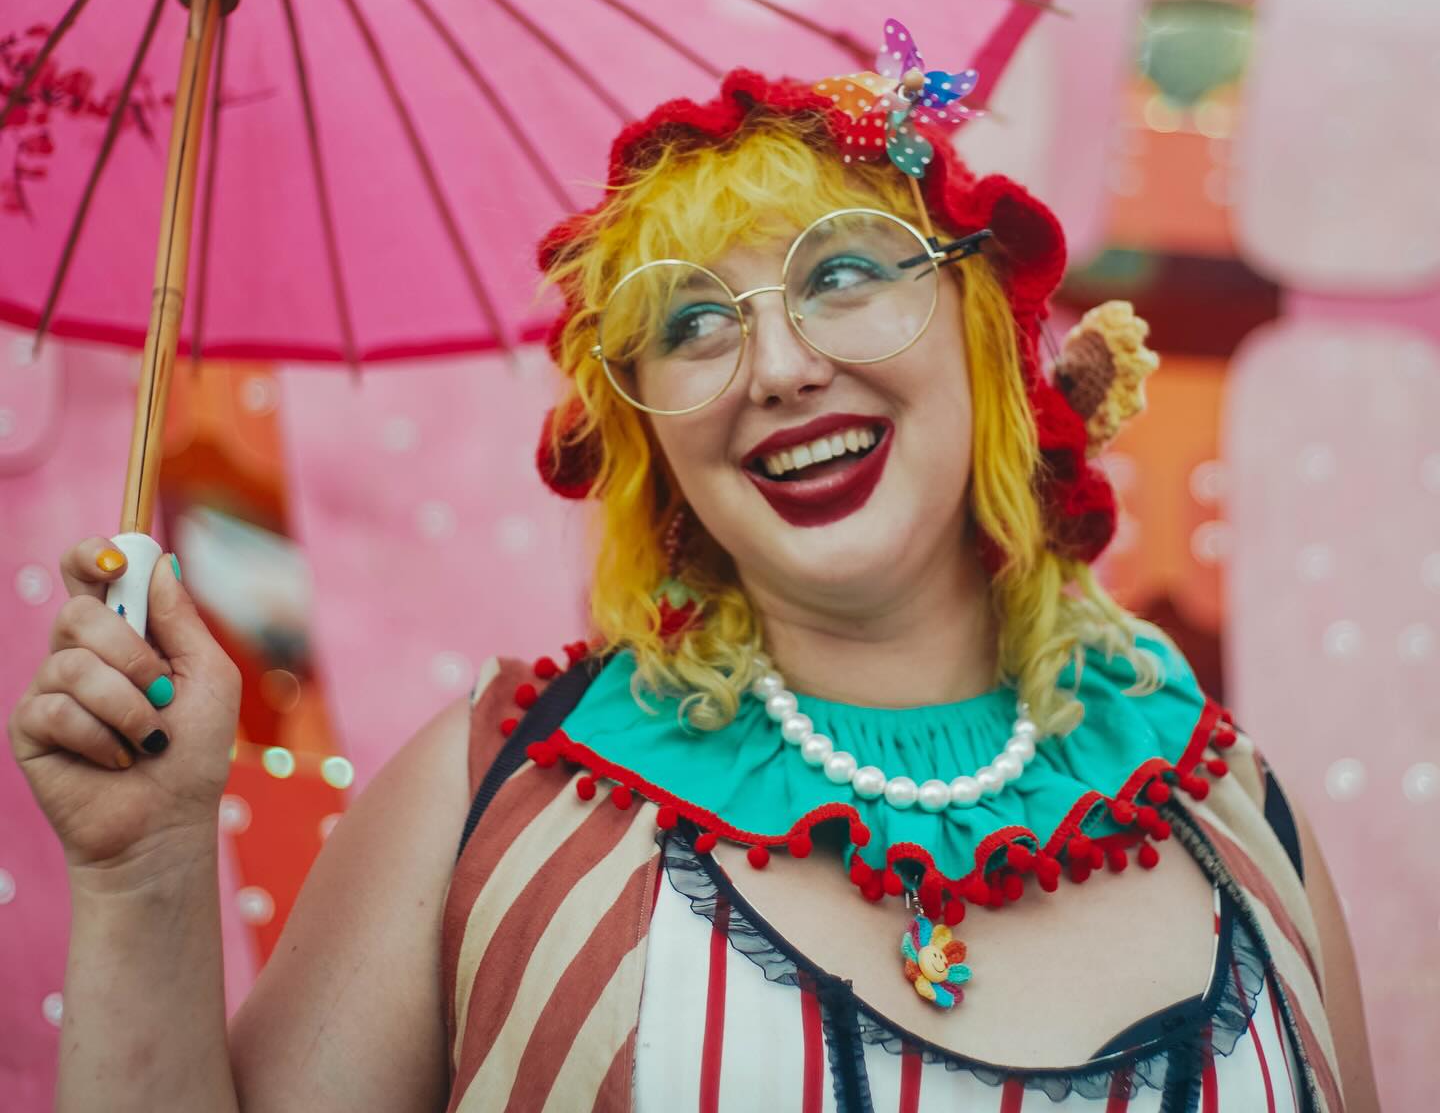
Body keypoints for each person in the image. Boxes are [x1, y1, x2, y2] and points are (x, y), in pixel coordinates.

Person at [9, 55, 1379, 1113]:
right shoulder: (502, 786)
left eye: (841, 276)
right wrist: (143, 876)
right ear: (653, 445)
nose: (777, 369)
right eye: (693, 324)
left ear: (988, 346)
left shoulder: (1235, 816)